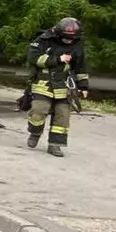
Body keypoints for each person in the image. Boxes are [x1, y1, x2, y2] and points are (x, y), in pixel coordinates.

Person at [25, 17, 89, 158]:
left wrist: (83, 86)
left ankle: (55, 146)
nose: (69, 41)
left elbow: (80, 66)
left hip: (64, 86)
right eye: (66, 38)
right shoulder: (44, 39)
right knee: (39, 110)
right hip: (43, 83)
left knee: (62, 117)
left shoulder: (77, 44)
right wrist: (57, 60)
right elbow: (33, 58)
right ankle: (35, 133)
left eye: (72, 39)